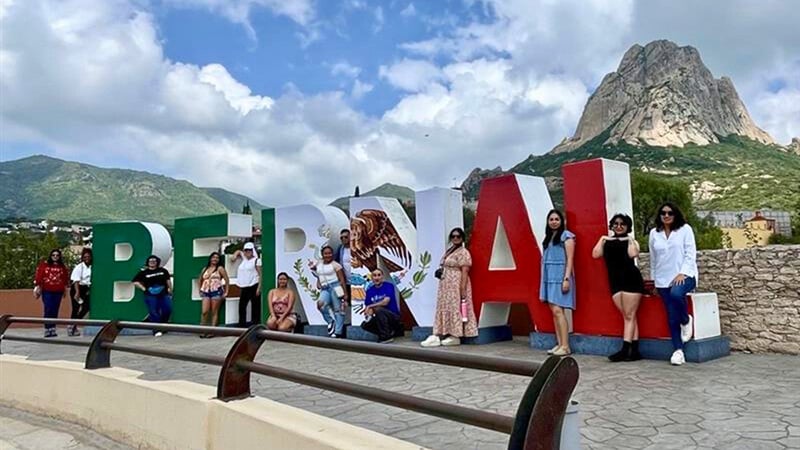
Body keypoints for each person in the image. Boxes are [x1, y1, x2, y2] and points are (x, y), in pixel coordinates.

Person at [649, 202, 698, 366]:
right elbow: (653, 259)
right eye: (663, 213)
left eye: (670, 213)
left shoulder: (685, 230)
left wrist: (683, 273)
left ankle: (685, 320)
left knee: (677, 294)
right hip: (663, 280)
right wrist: (655, 280)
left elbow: (690, 254)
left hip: (685, 275)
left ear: (675, 214)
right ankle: (678, 351)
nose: (667, 216)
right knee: (671, 316)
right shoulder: (654, 233)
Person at [592, 214, 645, 362]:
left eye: (622, 224)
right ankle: (635, 351)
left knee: (629, 315)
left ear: (628, 226)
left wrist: (630, 239)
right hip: (615, 281)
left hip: (631, 280)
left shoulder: (631, 241)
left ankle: (625, 349)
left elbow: (633, 254)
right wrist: (602, 239)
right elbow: (595, 254)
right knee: (629, 316)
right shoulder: (606, 241)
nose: (619, 226)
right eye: (616, 223)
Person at [421, 227, 478, 347]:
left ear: (462, 238)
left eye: (458, 236)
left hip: (456, 283)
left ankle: (456, 334)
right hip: (445, 285)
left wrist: (462, 288)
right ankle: (441, 332)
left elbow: (465, 271)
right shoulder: (450, 250)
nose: (455, 238)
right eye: (453, 236)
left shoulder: (463, 252)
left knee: (454, 306)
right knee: (444, 306)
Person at [540, 209, 576, 356]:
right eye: (551, 219)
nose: (554, 222)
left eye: (557, 219)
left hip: (560, 277)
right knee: (554, 312)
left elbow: (570, 259)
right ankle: (560, 343)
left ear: (561, 221)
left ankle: (566, 346)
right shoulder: (548, 238)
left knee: (558, 311)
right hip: (549, 278)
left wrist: (566, 279)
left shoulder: (566, 237)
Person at [310, 245, 349, 338]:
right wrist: (318, 281)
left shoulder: (336, 265)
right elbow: (319, 274)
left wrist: (345, 293)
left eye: (329, 253)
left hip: (335, 287)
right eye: (325, 253)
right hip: (325, 288)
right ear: (322, 254)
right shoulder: (319, 264)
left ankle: (338, 332)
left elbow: (342, 279)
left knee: (338, 310)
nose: (328, 255)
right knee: (320, 304)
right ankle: (331, 322)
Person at [132, 255, 173, 337]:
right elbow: (135, 281)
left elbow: (168, 280)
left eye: (154, 261)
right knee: (153, 312)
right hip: (150, 295)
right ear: (148, 262)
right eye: (150, 261)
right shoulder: (144, 273)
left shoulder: (163, 270)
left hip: (163, 294)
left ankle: (164, 326)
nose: (152, 262)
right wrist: (143, 288)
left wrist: (170, 289)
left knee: (167, 309)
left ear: (157, 262)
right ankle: (156, 330)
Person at [33, 249, 71, 338]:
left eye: (57, 255)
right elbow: (39, 276)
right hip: (47, 290)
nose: (55, 257)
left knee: (55, 309)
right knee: (48, 308)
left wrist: (65, 289)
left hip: (58, 291)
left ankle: (53, 328)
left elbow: (65, 279)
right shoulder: (45, 265)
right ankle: (47, 328)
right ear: (51, 256)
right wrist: (38, 286)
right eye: (53, 255)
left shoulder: (62, 267)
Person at [361, 268, 402, 344]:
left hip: (393, 316)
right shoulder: (369, 291)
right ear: (372, 277)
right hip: (380, 317)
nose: (377, 278)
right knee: (365, 325)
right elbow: (369, 309)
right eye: (374, 275)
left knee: (379, 310)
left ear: (382, 277)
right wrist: (368, 315)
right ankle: (387, 332)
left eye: (379, 275)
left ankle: (386, 337)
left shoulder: (389, 286)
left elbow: (385, 302)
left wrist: (370, 306)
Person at [198, 252, 230, 337]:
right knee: (204, 311)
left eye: (217, 258)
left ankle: (213, 331)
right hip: (205, 291)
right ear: (210, 258)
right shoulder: (205, 269)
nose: (215, 259)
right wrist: (200, 290)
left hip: (216, 291)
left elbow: (227, 280)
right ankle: (202, 330)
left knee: (214, 312)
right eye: (213, 257)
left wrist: (226, 291)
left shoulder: (220, 269)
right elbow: (200, 279)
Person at [230, 242, 262, 327]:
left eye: (249, 250)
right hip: (244, 287)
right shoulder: (244, 260)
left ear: (253, 251)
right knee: (242, 307)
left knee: (255, 307)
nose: (247, 252)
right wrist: (234, 255)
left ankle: (255, 325)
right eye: (246, 250)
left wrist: (259, 287)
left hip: (254, 285)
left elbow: (260, 274)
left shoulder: (256, 260)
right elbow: (238, 251)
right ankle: (242, 325)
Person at [68, 247, 93, 336]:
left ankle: (73, 323)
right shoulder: (79, 267)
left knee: (86, 307)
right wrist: (77, 292)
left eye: (88, 256)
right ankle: (72, 328)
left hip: (86, 289)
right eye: (85, 257)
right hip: (77, 288)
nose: (87, 258)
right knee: (75, 308)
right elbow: (76, 280)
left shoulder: (92, 267)